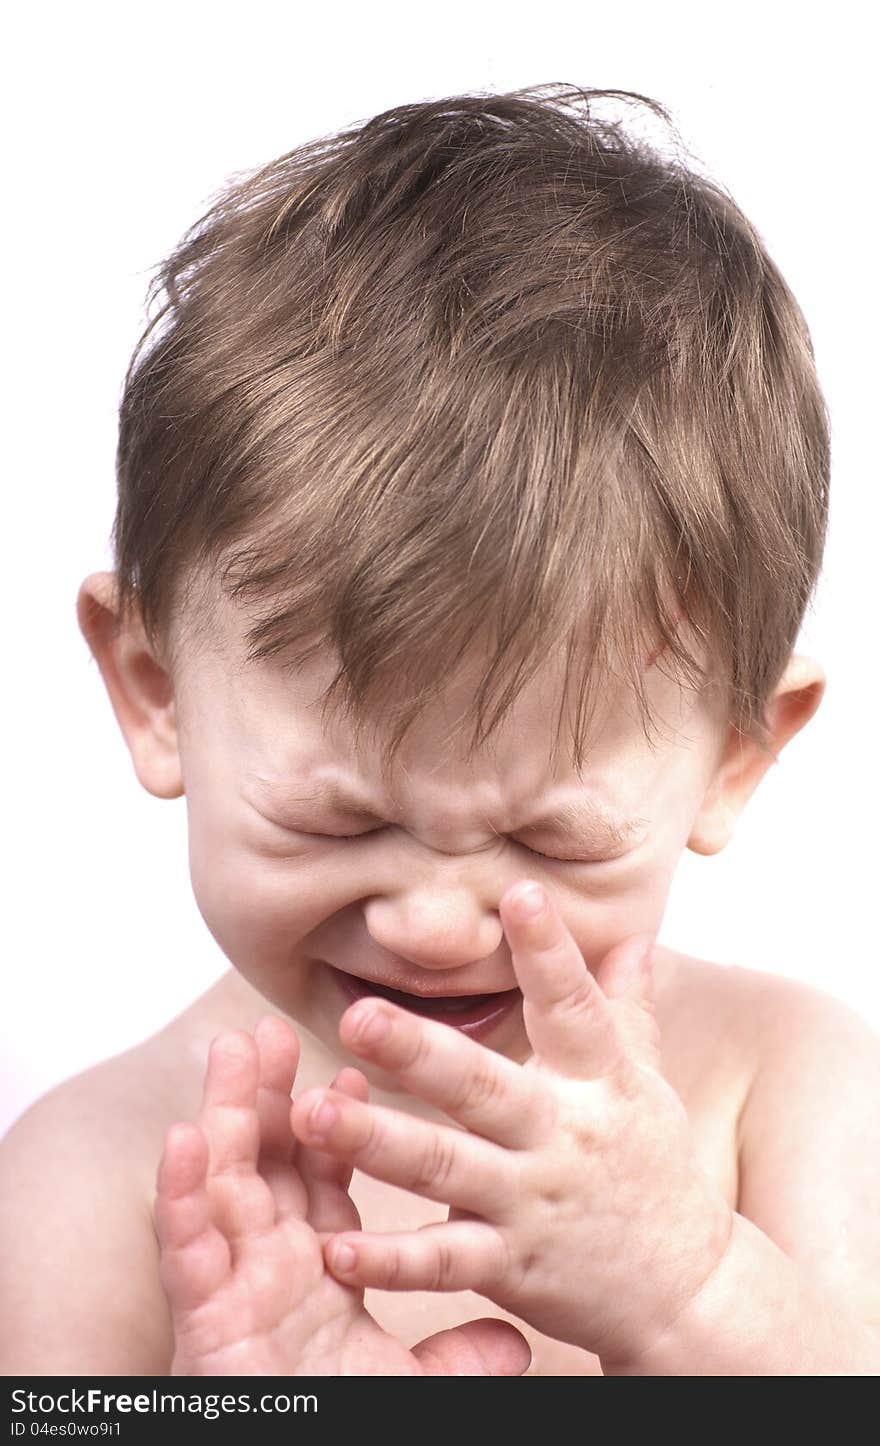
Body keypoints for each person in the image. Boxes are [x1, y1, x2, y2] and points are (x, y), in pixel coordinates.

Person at [2, 84, 878, 1377]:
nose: (429, 924)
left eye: (545, 835)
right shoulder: (97, 1176)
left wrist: (689, 1295)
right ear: (155, 689)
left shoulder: (786, 1086)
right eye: (337, 816)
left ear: (739, 755)